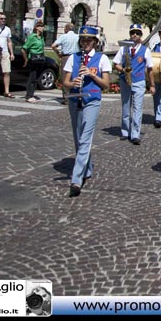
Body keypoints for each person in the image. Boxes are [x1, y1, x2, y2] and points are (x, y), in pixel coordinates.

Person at [62, 26, 112, 197]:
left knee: (85, 138)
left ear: (95, 42)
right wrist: (73, 83)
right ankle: (86, 168)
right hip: (75, 100)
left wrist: (91, 75)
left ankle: (76, 180)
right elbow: (65, 82)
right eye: (83, 40)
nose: (86, 43)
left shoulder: (102, 58)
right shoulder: (73, 58)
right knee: (78, 138)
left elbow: (106, 84)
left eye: (89, 40)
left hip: (92, 101)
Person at [112, 24, 155, 144]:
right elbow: (115, 63)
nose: (134, 35)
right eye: (132, 33)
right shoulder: (123, 49)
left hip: (139, 81)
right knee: (126, 107)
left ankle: (135, 134)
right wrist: (123, 70)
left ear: (140, 35)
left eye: (137, 33)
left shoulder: (145, 50)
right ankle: (125, 131)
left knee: (137, 109)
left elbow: (150, 68)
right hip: (125, 81)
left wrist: (152, 85)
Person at [51, 23, 79, 104]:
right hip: (76, 57)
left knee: (65, 77)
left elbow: (53, 45)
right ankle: (75, 96)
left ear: (67, 29)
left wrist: (58, 53)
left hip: (66, 57)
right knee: (75, 76)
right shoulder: (77, 37)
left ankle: (67, 98)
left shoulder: (64, 36)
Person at [20, 21, 47, 103]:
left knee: (36, 78)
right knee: (32, 77)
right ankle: (29, 95)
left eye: (43, 26)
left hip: (40, 59)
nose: (43, 28)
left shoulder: (41, 37)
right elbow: (24, 48)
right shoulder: (32, 37)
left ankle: (32, 93)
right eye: (41, 26)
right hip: (33, 59)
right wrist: (26, 59)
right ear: (37, 27)